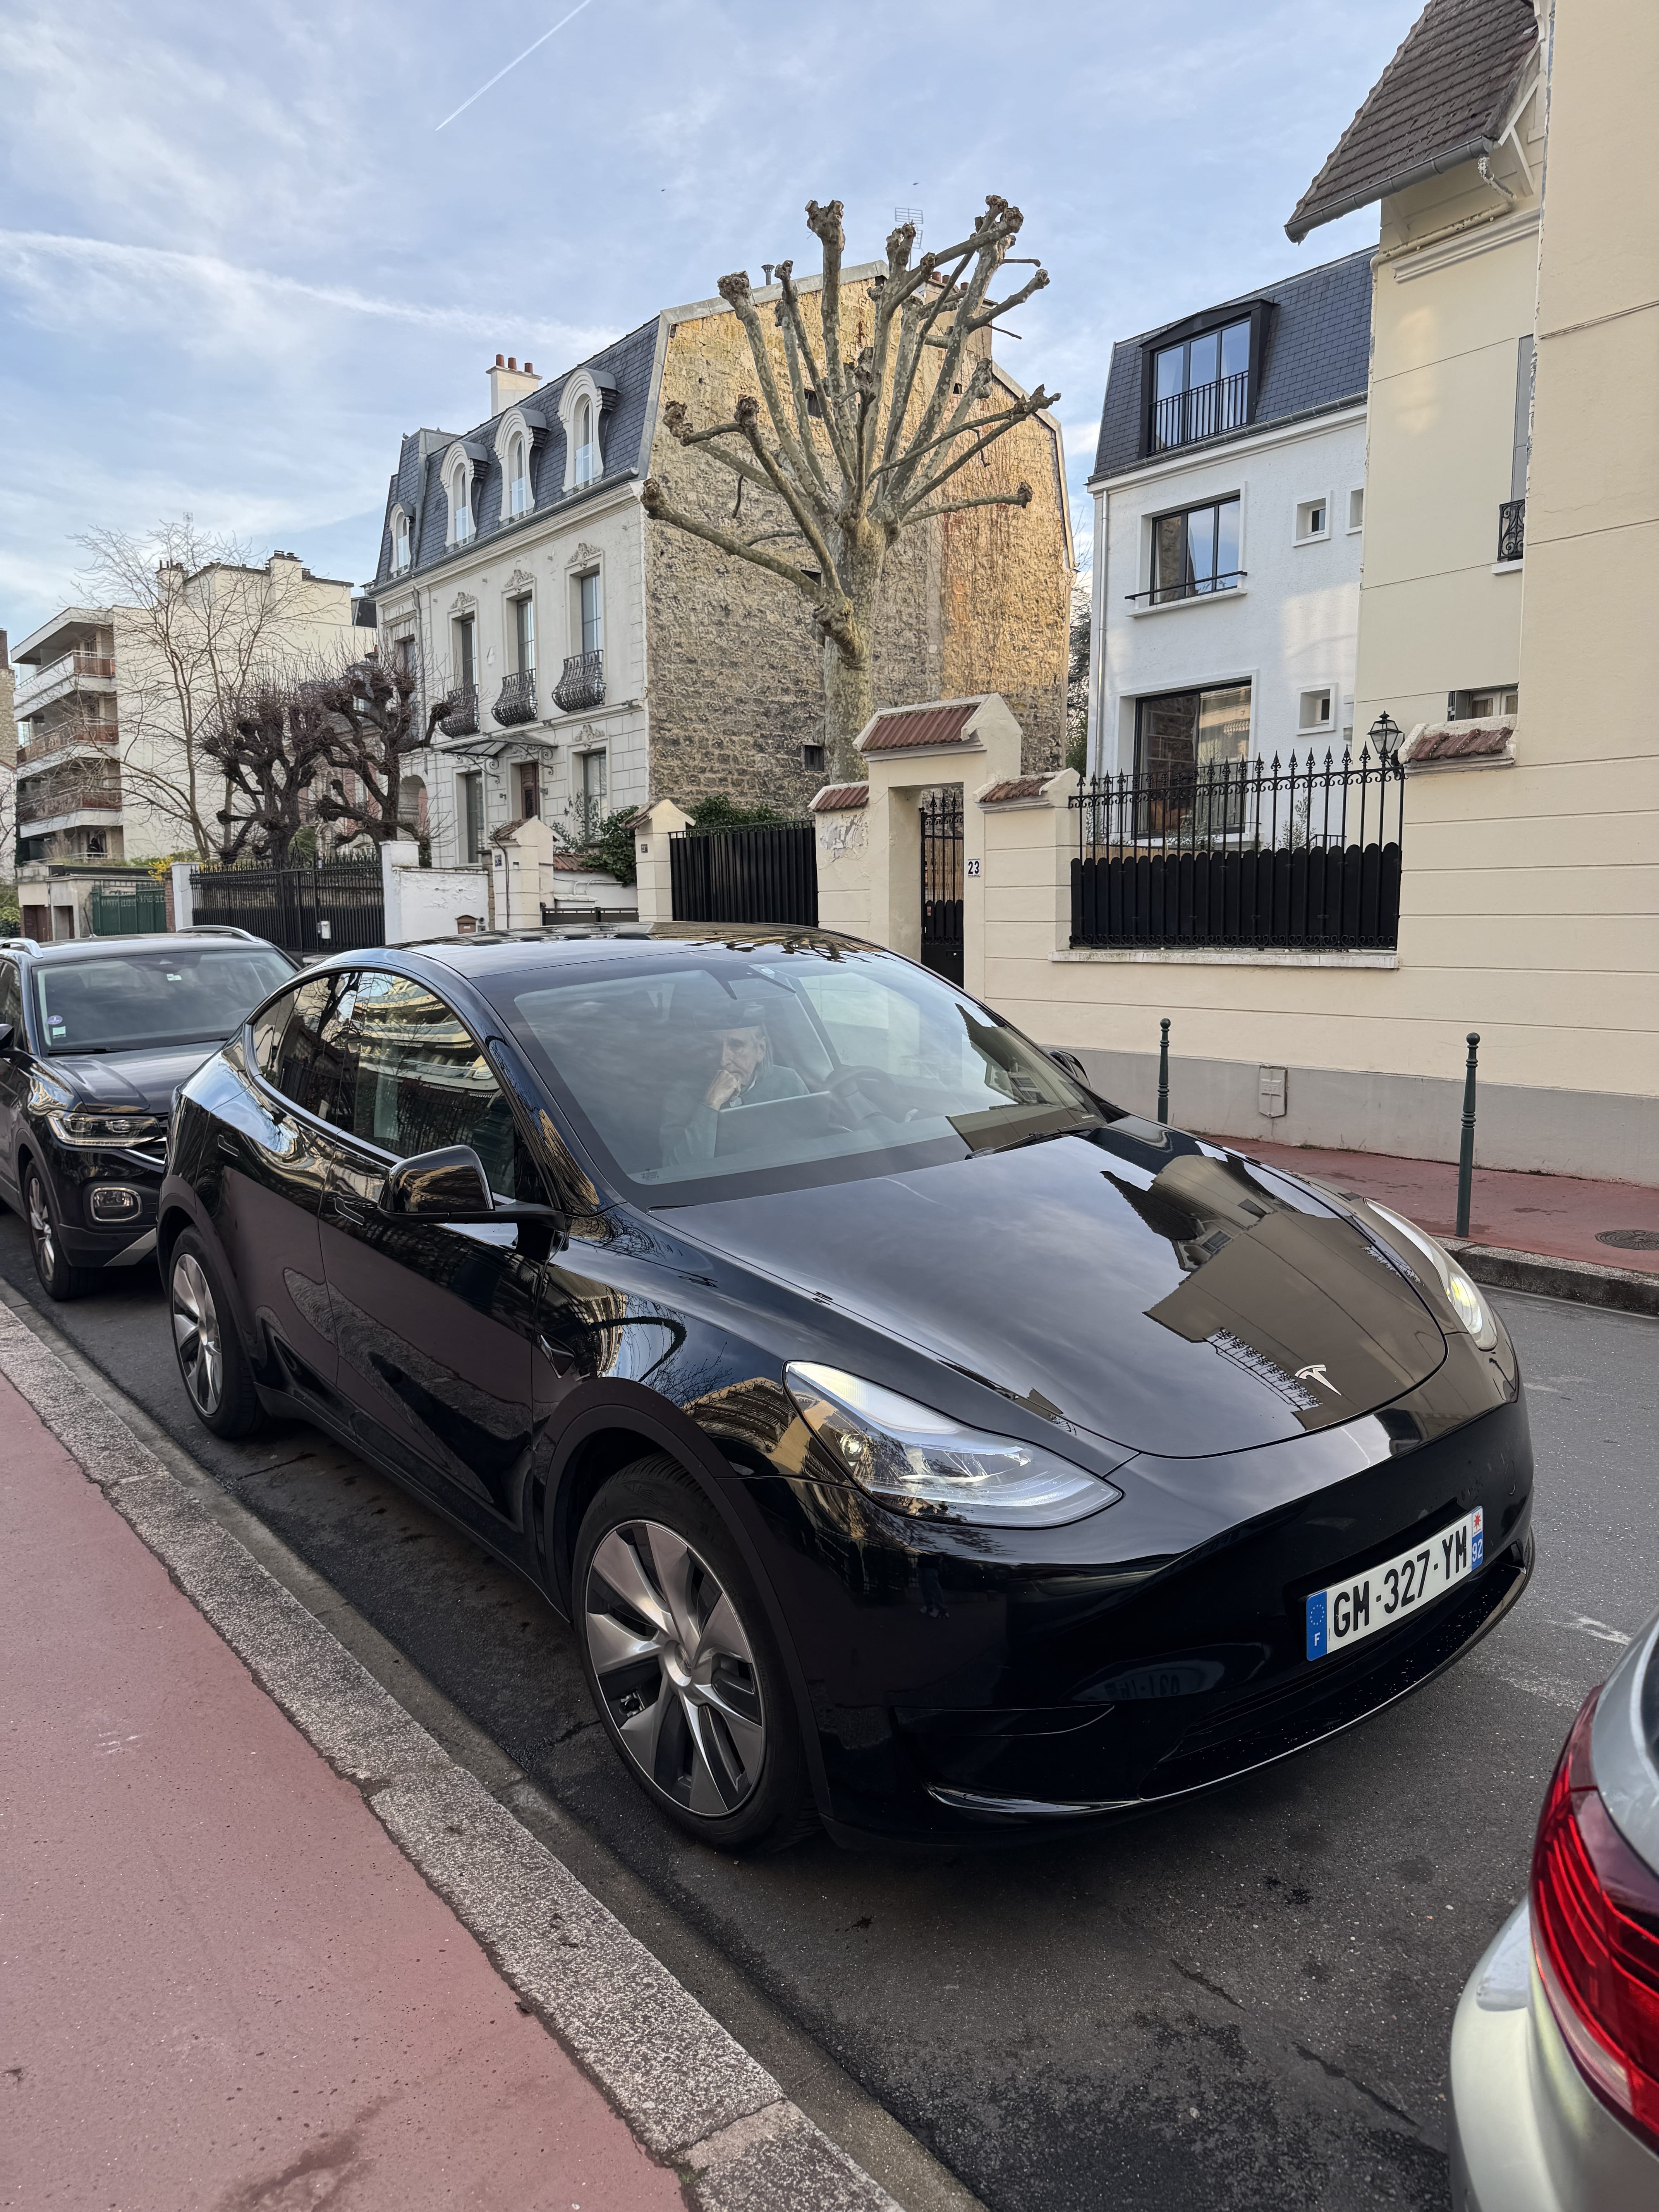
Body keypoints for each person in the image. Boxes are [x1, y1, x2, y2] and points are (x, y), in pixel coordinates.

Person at [661, 1001, 807, 1164]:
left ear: (760, 1050)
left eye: (736, 1046)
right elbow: (676, 1169)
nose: (723, 1061)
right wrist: (711, 1104)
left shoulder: (788, 1082)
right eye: (714, 1047)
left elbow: (813, 1142)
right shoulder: (683, 1094)